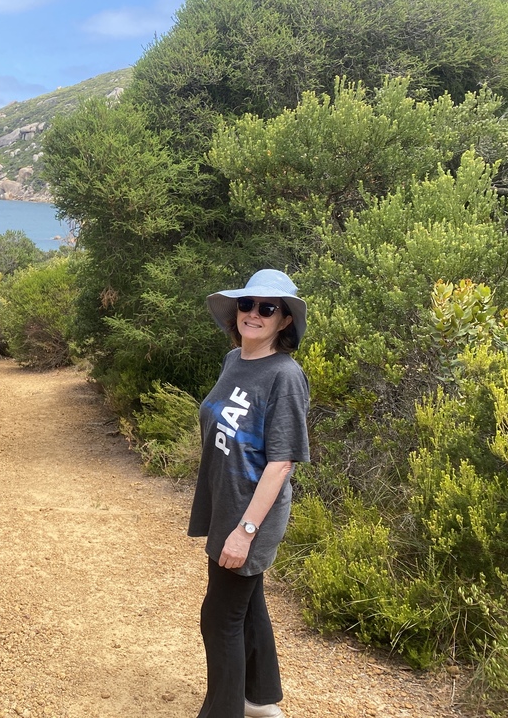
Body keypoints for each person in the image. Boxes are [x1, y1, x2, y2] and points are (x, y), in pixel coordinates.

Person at [187, 269, 310, 718]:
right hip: (227, 503)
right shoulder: (234, 360)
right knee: (247, 604)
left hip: (250, 516)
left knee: (220, 619)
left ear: (284, 322)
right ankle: (260, 699)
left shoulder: (285, 375)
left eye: (267, 308)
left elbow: (282, 463)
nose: (253, 314)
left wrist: (245, 531)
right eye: (246, 304)